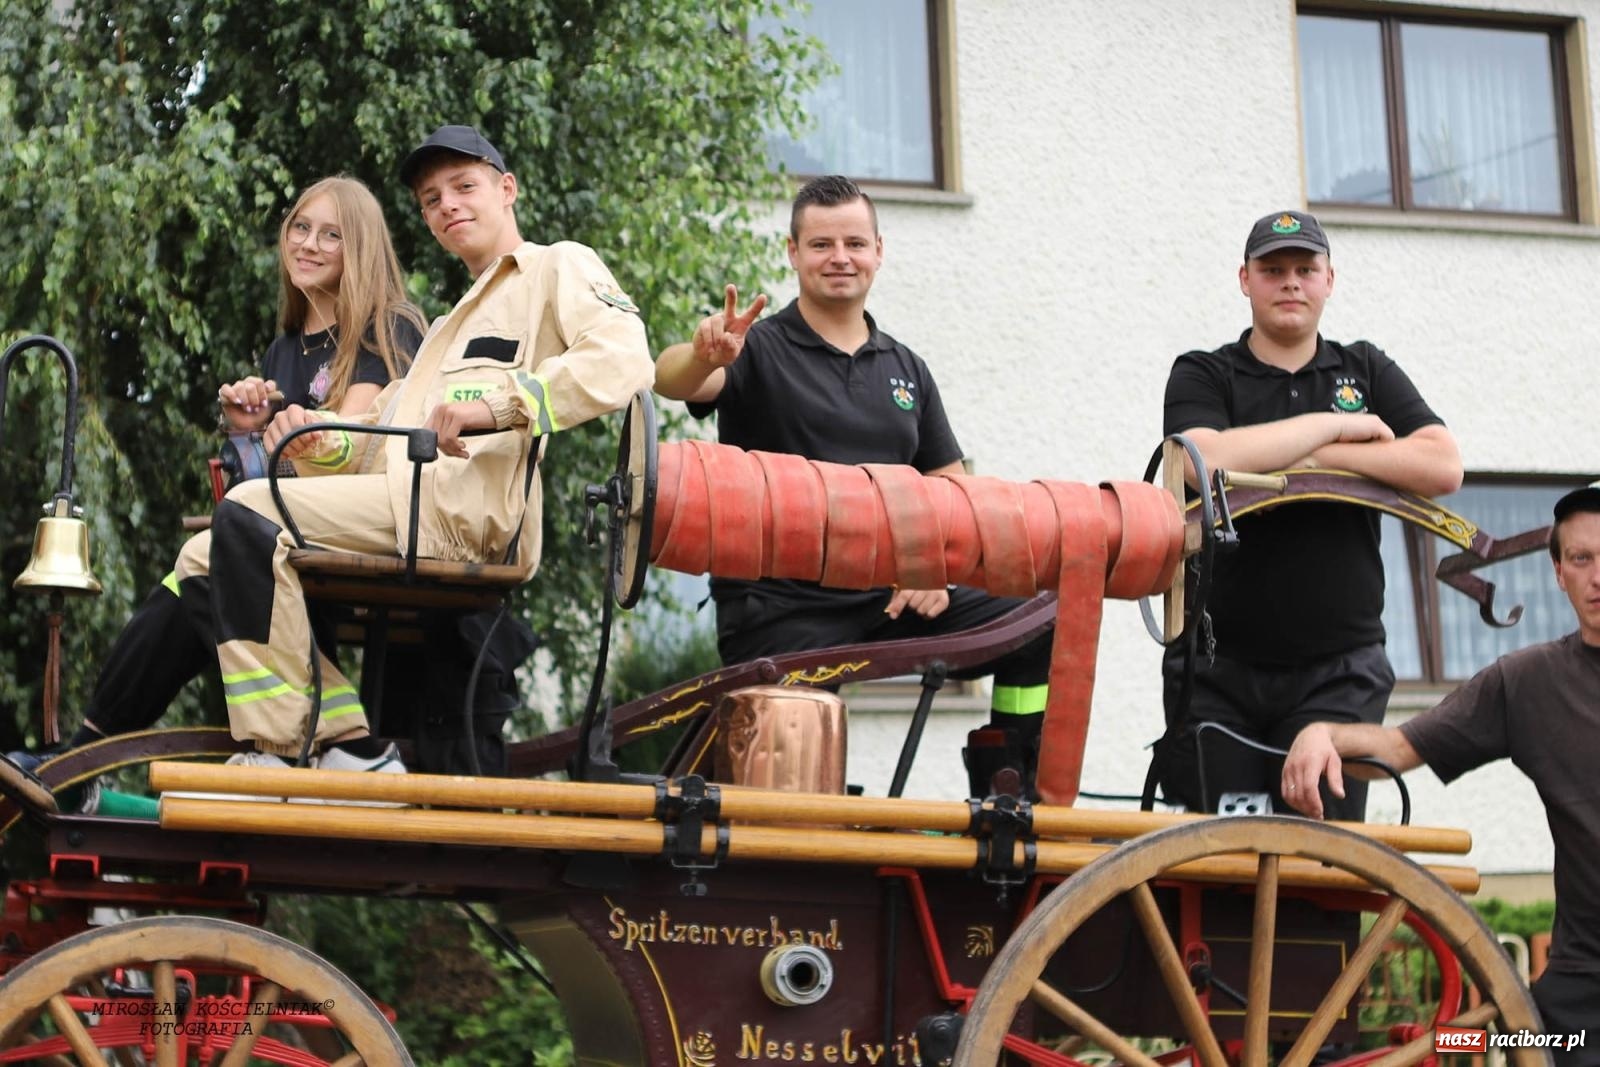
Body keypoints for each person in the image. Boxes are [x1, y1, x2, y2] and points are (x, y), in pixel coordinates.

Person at [169, 125, 654, 774]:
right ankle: (345, 739)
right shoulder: (448, 327)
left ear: (507, 189)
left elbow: (623, 359)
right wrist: (319, 441)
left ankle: (285, 743)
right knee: (202, 558)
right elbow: (384, 429)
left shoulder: (555, 266)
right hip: (405, 504)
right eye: (431, 199)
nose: (447, 205)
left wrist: (498, 407)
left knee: (250, 511)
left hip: (460, 523)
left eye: (464, 186)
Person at [653, 175, 1053, 799]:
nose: (840, 257)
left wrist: (932, 572)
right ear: (793, 253)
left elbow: (951, 490)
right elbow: (675, 382)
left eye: (855, 243)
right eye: (821, 245)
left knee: (1039, 618)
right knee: (790, 808)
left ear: (878, 251)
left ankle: (1012, 792)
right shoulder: (755, 348)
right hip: (782, 611)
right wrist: (704, 354)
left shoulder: (906, 368)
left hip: (885, 602)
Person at [64, 175, 424, 754]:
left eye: (330, 235)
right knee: (193, 575)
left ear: (359, 249)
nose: (307, 244)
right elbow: (269, 472)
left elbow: (355, 449)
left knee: (198, 567)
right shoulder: (284, 347)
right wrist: (245, 429)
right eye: (300, 227)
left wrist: (295, 435)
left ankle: (89, 751)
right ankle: (342, 741)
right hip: (286, 524)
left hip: (364, 521)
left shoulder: (388, 324)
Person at [1158, 209, 1462, 818]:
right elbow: (1201, 460)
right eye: (1273, 270)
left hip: (1340, 675)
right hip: (1221, 672)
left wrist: (1309, 453)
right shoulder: (1204, 371)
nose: (1290, 282)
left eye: (1305, 268)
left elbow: (1442, 465)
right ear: (1245, 280)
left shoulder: (1366, 367)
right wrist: (1337, 430)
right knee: (1220, 871)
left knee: (1322, 871)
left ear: (1330, 279)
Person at [1281, 482, 1600, 1055]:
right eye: (1582, 558)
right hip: (1585, 989)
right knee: (1488, 1040)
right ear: (1558, 573)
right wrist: (1320, 733)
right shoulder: (1527, 683)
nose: (1598, 576)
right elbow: (1398, 749)